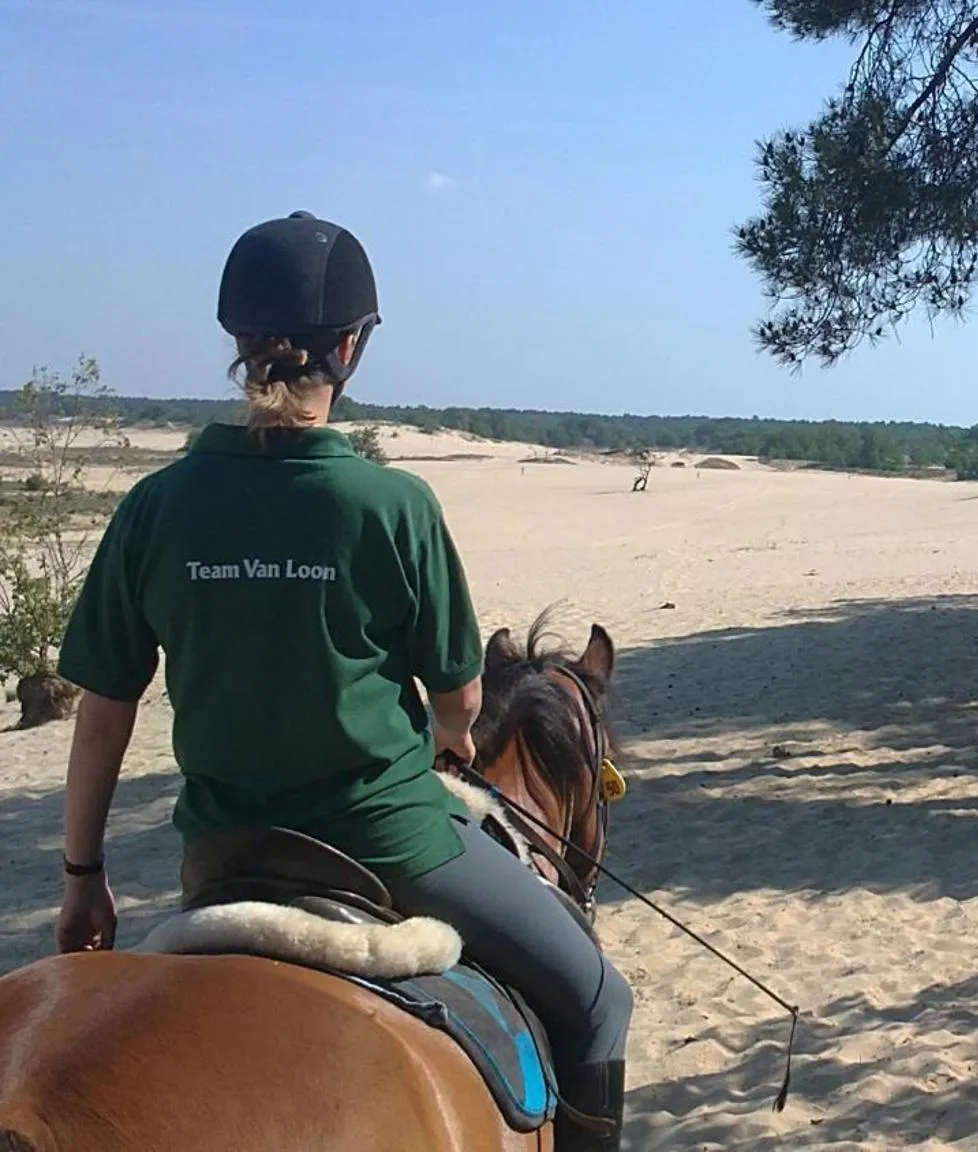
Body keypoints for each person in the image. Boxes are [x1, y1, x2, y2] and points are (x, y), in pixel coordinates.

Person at [51, 211, 632, 1150]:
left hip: (222, 853)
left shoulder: (156, 505)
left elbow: (100, 719)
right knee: (601, 1001)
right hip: (390, 842)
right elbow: (462, 702)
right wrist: (450, 736)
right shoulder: (391, 503)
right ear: (351, 348)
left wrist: (83, 878)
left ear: (239, 344)